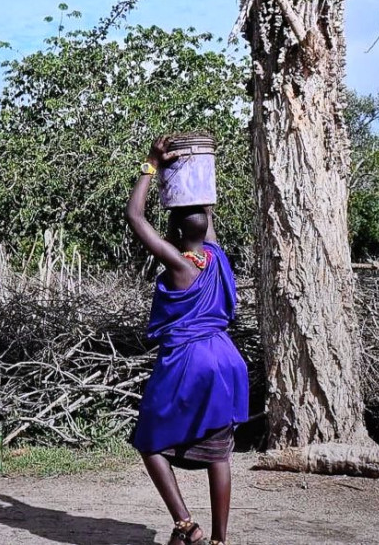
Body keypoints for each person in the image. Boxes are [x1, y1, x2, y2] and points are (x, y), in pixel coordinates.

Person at [125, 136, 249, 545]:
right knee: (219, 451)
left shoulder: (181, 265)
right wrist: (196, 172)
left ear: (176, 231)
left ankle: (185, 524)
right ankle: (219, 539)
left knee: (149, 439)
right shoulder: (215, 256)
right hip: (226, 360)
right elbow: (205, 215)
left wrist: (152, 165)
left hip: (189, 361)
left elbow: (136, 218)